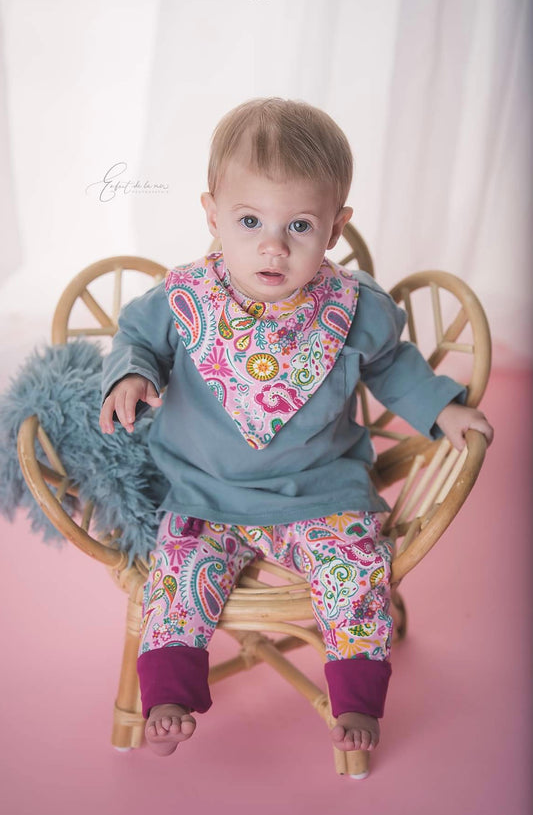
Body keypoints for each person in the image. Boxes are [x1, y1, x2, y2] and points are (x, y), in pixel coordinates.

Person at [99, 97, 494, 759]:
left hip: (320, 494)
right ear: (211, 213)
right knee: (177, 577)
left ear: (336, 227)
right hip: (206, 495)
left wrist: (438, 406)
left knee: (357, 572)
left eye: (300, 225)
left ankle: (357, 699)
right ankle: (168, 690)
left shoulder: (352, 307)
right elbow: (135, 337)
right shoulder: (184, 298)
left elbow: (393, 365)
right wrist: (132, 374)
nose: (272, 246)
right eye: (249, 220)